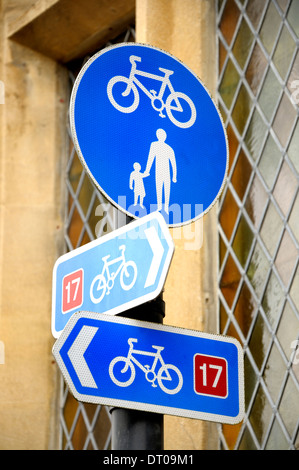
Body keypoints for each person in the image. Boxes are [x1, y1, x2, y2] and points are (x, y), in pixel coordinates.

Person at [144, 129, 177, 213]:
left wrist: (174, 176)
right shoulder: (154, 145)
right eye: (159, 134)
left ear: (165, 136)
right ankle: (159, 206)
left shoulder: (169, 148)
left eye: (162, 135)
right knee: (158, 187)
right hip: (158, 170)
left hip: (167, 171)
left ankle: (166, 207)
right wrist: (147, 170)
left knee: (167, 188)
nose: (161, 136)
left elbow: (173, 163)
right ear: (157, 135)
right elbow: (150, 158)